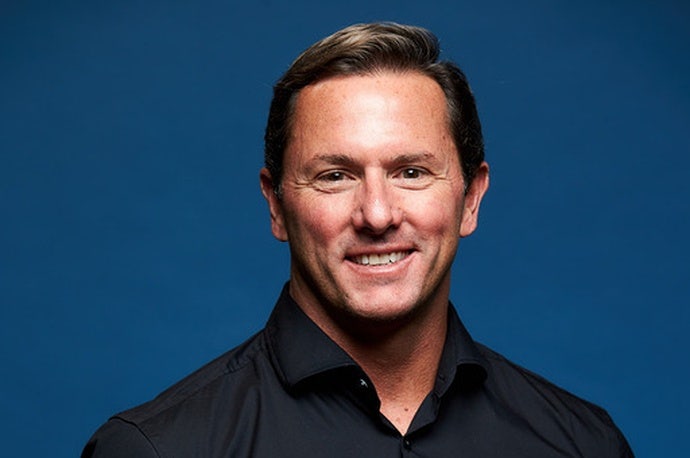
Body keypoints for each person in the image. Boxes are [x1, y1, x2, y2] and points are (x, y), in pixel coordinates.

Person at [82, 22, 633, 457]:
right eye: (335, 176)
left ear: (470, 198)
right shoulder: (159, 449)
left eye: (411, 172)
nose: (376, 214)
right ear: (276, 205)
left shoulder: (584, 445)